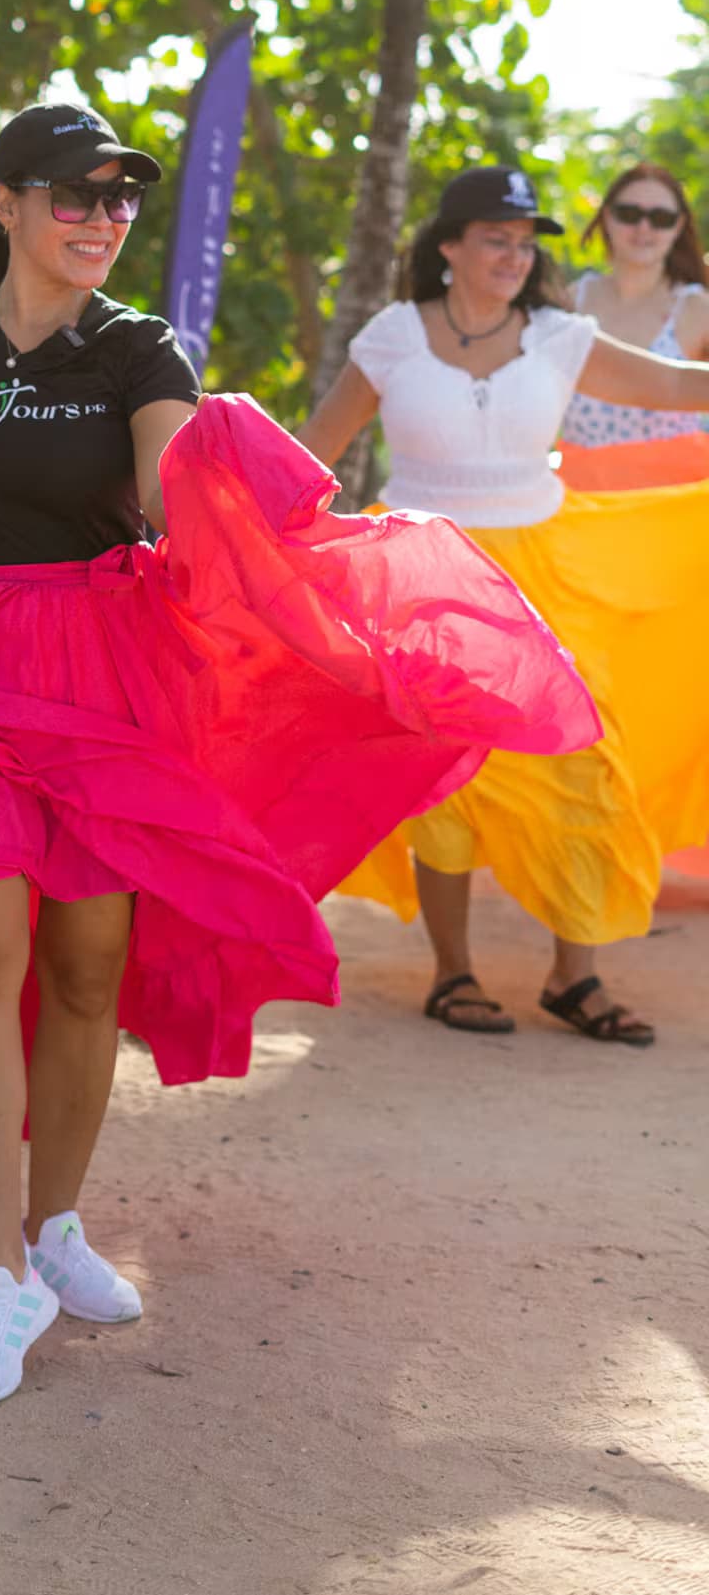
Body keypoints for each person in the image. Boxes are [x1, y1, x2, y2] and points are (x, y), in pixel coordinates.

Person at [0, 103, 597, 1410]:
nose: (103, 219)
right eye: (76, 195)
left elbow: (171, 490)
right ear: (3, 202)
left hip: (105, 667)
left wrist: (225, 483)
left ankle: (57, 1223)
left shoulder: (139, 351)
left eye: (122, 200)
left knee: (84, 970)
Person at [302, 164, 709, 1046]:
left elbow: (679, 388)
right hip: (423, 575)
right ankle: (453, 970)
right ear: (447, 246)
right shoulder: (392, 338)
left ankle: (577, 974)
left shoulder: (561, 336)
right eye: (496, 237)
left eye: (526, 243)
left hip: (543, 570)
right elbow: (314, 457)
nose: (514, 256)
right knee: (439, 774)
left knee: (584, 759)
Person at [559, 162, 709, 488]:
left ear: (679, 226)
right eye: (629, 213)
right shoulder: (571, 302)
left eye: (661, 218)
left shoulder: (697, 308)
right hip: (581, 507)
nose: (644, 228)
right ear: (607, 217)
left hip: (670, 511)